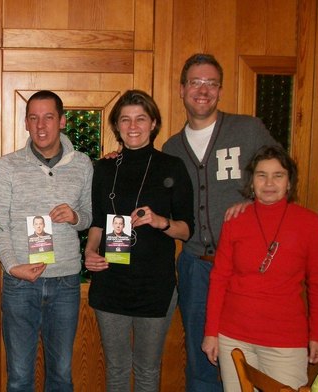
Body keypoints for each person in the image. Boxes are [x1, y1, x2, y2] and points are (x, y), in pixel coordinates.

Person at [162, 53, 278, 392]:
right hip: (196, 268)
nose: (203, 90)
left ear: (220, 90)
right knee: (202, 357)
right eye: (196, 82)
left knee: (250, 355)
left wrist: (254, 201)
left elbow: (282, 176)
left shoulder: (248, 129)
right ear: (182, 89)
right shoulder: (172, 148)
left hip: (246, 267)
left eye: (211, 83)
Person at [84, 90, 194, 392]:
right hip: (111, 282)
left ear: (153, 123)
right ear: (117, 126)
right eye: (125, 119)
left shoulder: (172, 167)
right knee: (117, 370)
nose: (133, 126)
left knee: (147, 371)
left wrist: (160, 222)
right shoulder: (104, 169)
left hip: (155, 286)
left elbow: (187, 230)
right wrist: (90, 250)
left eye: (140, 119)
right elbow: (97, 222)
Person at [202, 145, 318, 390]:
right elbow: (219, 279)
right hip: (233, 337)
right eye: (262, 175)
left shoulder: (310, 224)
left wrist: (315, 335)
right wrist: (211, 332)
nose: (269, 182)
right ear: (252, 182)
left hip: (285, 340)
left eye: (278, 175)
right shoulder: (235, 220)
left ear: (289, 183)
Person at [0, 90, 93, 391]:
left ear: (62, 121)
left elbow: (89, 215)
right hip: (21, 282)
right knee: (19, 375)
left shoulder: (82, 164)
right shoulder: (7, 166)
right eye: (33, 118)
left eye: (48, 117)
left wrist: (75, 217)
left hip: (65, 282)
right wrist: (12, 266)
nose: (41, 125)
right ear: (25, 123)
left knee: (61, 373)